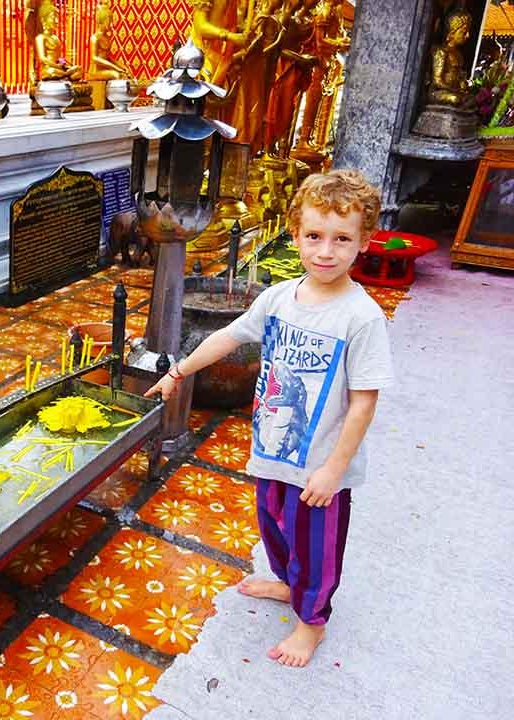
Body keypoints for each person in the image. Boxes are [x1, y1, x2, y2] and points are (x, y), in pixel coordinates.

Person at [146, 169, 393, 667]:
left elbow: (364, 402)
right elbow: (229, 337)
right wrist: (179, 371)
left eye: (341, 239)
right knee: (275, 526)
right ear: (296, 234)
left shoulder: (360, 317)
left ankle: (312, 622)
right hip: (273, 450)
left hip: (321, 464)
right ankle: (286, 583)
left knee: (317, 547)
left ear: (363, 242)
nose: (325, 251)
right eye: (314, 236)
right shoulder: (278, 298)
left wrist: (332, 470)